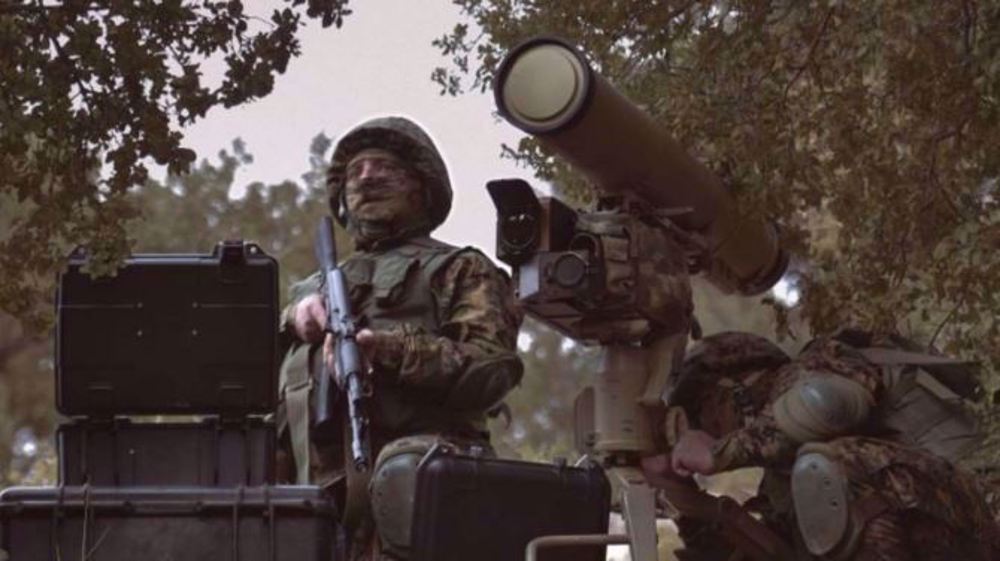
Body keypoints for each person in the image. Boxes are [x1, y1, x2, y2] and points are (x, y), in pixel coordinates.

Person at [275, 116, 524, 561]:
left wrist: (388, 348)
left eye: (384, 168)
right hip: (306, 515)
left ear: (421, 187)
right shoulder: (310, 289)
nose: (367, 177)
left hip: (417, 506)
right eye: (355, 172)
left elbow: (490, 369)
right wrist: (293, 319)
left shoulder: (459, 269)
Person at [641, 330, 1000, 561]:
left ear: (733, 386)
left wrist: (720, 452)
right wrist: (684, 501)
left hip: (979, 513)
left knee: (831, 466)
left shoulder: (808, 368)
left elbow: (826, 405)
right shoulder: (785, 486)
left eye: (703, 411)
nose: (706, 427)